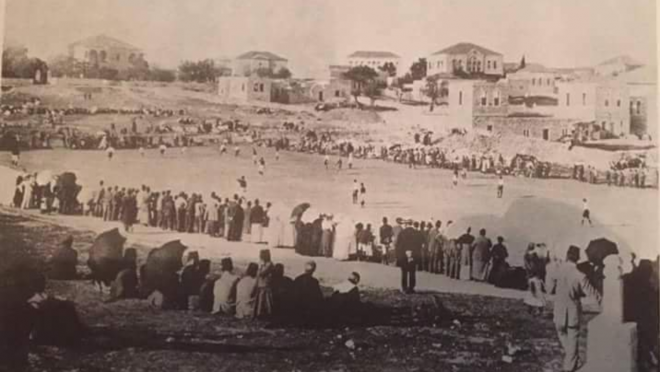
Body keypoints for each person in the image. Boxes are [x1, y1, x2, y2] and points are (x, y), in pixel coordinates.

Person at [548, 245, 601, 372]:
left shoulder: (557, 271)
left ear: (566, 255)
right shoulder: (580, 275)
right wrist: (603, 300)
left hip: (558, 311)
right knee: (572, 342)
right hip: (572, 312)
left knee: (563, 337)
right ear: (577, 259)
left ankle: (573, 360)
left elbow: (549, 290)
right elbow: (592, 293)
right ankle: (569, 367)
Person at [395, 220, 422, 294]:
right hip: (413, 255)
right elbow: (419, 245)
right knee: (412, 271)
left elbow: (398, 245)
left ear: (406, 224)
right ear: (412, 224)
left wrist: (398, 256)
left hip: (403, 255)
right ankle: (411, 288)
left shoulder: (402, 233)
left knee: (404, 271)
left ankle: (404, 288)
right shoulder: (417, 233)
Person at [524, 243, 547, 314]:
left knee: (533, 293)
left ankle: (532, 309)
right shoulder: (534, 256)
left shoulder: (529, 256)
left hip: (533, 276)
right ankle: (538, 309)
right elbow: (539, 266)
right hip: (535, 276)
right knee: (536, 293)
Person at [254, 249, 274, 319]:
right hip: (261, 284)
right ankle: (259, 314)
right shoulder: (263, 264)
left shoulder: (269, 264)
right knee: (260, 300)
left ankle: (267, 314)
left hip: (266, 284)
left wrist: (260, 268)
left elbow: (262, 273)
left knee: (266, 300)